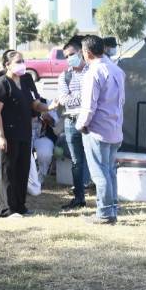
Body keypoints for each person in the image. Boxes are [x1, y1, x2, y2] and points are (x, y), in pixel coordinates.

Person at [0, 51, 56, 218]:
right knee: (8, 171)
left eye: (23, 60)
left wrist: (50, 107)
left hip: (24, 133)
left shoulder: (26, 81)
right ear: (7, 64)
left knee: (22, 170)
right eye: (18, 61)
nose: (22, 64)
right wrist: (1, 136)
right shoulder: (1, 83)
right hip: (8, 133)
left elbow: (35, 104)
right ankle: (6, 209)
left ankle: (20, 206)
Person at [76, 35, 126, 225]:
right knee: (110, 171)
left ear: (87, 52)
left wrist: (81, 125)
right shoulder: (117, 70)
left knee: (100, 173)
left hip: (97, 130)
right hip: (115, 128)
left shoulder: (93, 72)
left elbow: (89, 106)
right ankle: (112, 208)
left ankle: (104, 213)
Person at [58, 37, 91, 210]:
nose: (69, 58)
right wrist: (83, 97)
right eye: (66, 56)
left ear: (81, 52)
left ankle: (102, 197)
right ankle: (79, 198)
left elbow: (93, 98)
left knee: (94, 159)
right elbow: (63, 99)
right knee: (76, 162)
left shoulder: (92, 71)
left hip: (91, 121)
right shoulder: (65, 75)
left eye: (71, 54)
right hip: (71, 122)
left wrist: (76, 98)